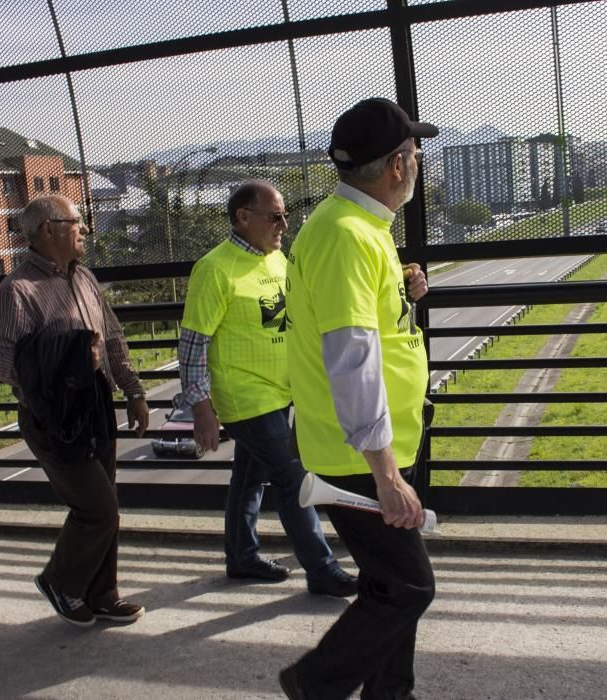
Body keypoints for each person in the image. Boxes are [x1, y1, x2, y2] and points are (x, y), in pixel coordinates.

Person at [279, 97, 436, 700]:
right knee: (409, 588)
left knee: (388, 586)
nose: (419, 159)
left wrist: (405, 286)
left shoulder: (354, 227)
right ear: (397, 166)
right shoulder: (348, 237)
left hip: (371, 447)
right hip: (362, 457)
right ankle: (314, 683)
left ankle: (391, 695)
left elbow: (362, 320)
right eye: (414, 152)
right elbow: (352, 360)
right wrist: (387, 474)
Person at [178, 180, 356, 597]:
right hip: (245, 397)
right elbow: (192, 343)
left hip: (281, 394)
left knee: (248, 479)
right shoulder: (215, 269)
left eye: (284, 216)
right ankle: (322, 568)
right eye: (275, 216)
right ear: (243, 218)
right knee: (293, 478)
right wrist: (201, 408)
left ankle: (241, 557)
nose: (284, 224)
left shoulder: (278, 261)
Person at [0, 195, 149, 628]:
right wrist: (65, 366)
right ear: (50, 230)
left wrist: (133, 390)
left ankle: (103, 594)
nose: (84, 231)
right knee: (98, 507)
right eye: (77, 223)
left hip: (95, 405)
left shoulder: (86, 279)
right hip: (53, 416)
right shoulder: (17, 291)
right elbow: (2, 358)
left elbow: (112, 337)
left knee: (107, 500)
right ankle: (60, 580)